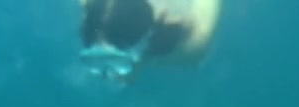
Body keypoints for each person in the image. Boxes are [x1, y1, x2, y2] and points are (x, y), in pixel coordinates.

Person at [78, 0, 221, 83]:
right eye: (93, 59)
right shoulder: (94, 14)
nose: (110, 75)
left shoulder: (194, 43)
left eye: (120, 61)